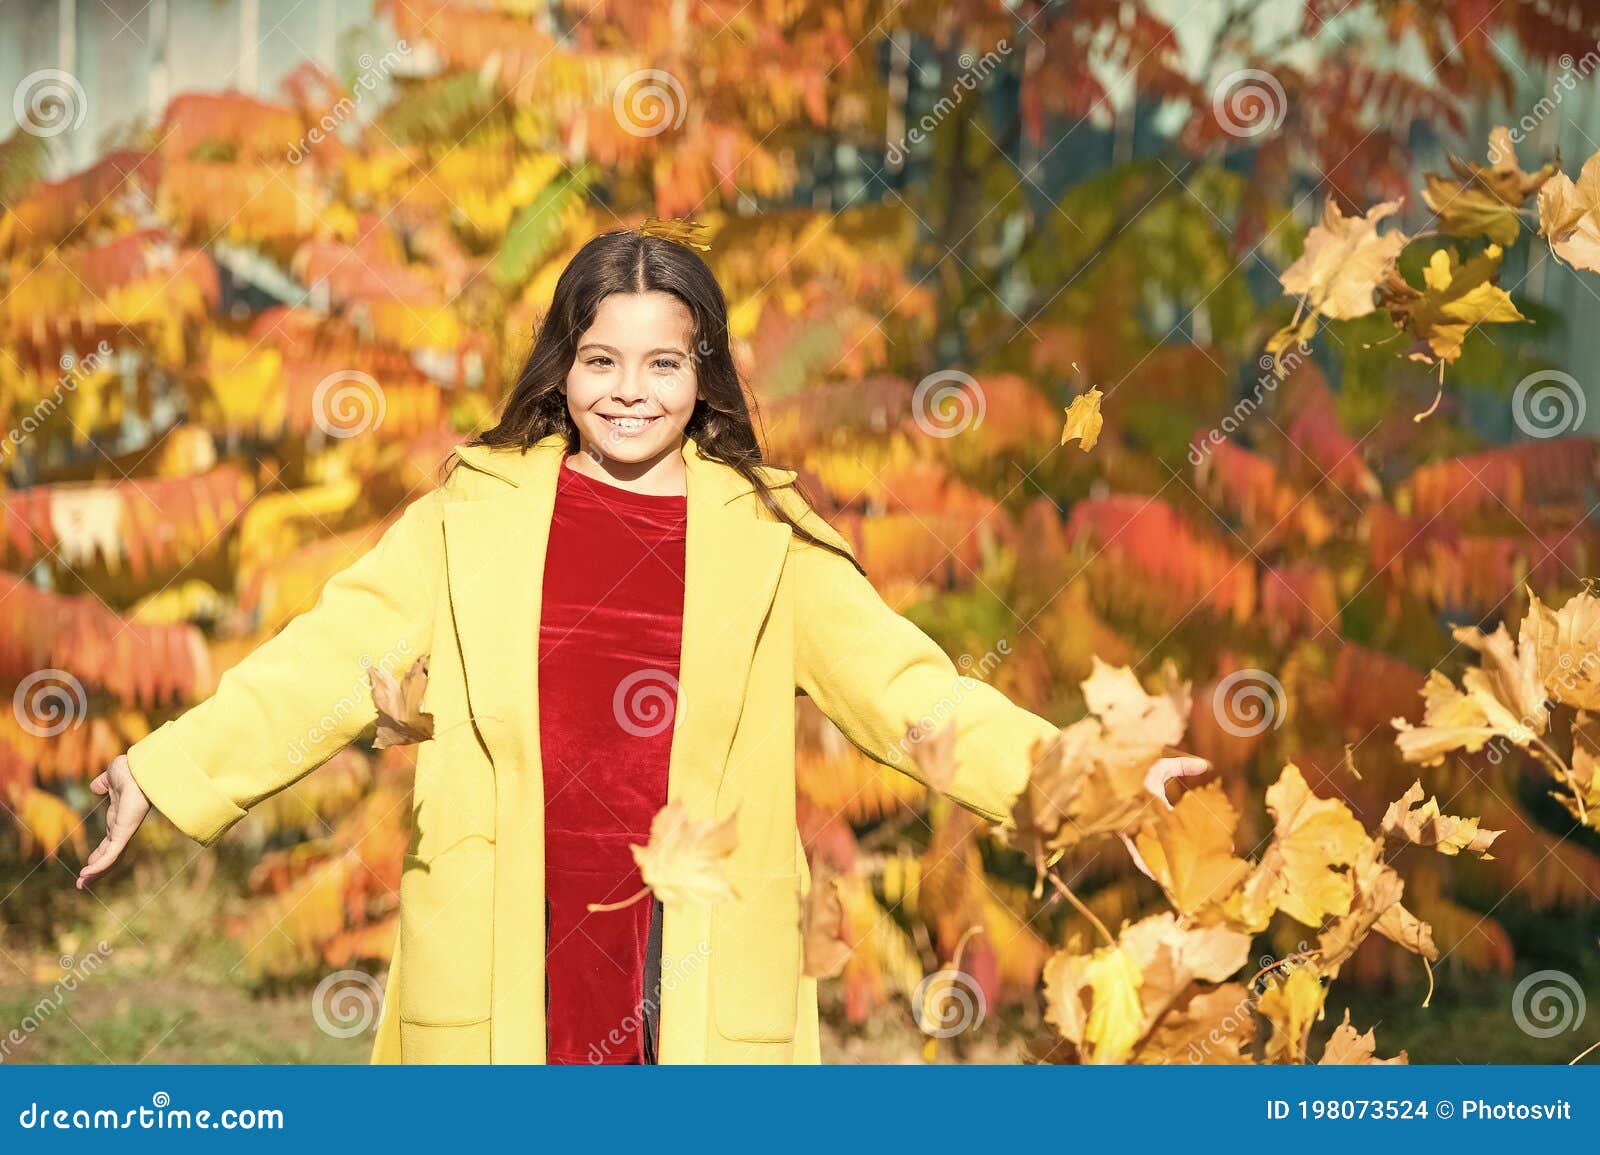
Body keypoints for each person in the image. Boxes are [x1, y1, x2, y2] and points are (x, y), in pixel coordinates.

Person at [74, 223, 1199, 1064]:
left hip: (696, 954)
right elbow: (324, 657)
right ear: (563, 365)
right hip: (512, 937)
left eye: (663, 364)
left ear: (702, 375)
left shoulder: (768, 538)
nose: (628, 391)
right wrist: (167, 766)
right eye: (601, 360)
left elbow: (915, 695)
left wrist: (1097, 780)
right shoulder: (470, 517)